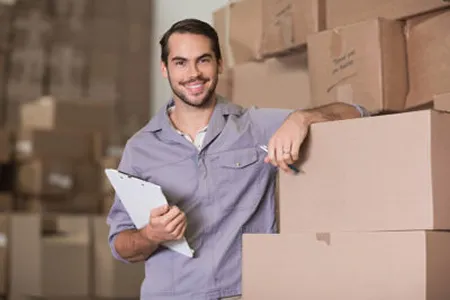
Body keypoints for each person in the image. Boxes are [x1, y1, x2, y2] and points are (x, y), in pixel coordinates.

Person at [107, 18, 368, 300]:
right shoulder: (141, 148)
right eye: (180, 63)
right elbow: (121, 246)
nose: (193, 73)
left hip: (245, 292)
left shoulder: (255, 126)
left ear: (219, 64)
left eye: (203, 60)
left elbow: (357, 112)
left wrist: (302, 118)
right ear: (165, 69)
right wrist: (150, 236)